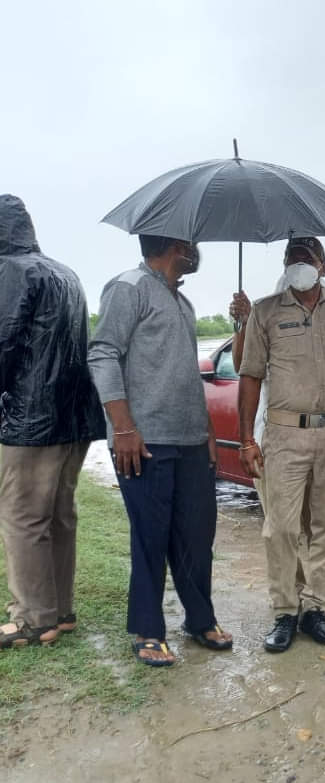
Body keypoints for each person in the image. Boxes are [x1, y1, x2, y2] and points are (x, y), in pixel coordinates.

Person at [88, 234, 232, 666]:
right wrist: (123, 427)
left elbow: (186, 376)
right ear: (173, 245)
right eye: (190, 241)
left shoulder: (182, 303)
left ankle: (200, 618)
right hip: (143, 441)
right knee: (151, 536)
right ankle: (148, 630)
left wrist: (208, 431)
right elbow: (102, 354)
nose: (196, 248)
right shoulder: (128, 287)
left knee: (197, 535)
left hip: (191, 440)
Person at [237, 237, 325, 652]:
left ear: (323, 267)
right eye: (292, 258)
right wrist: (246, 440)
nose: (299, 264)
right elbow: (250, 376)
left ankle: (316, 607)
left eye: (307, 258)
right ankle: (285, 610)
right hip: (285, 435)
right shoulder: (265, 311)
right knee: (281, 527)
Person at [0, 194, 106, 649]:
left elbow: (4, 342)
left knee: (23, 518)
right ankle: (59, 611)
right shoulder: (65, 273)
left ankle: (32, 618)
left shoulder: (12, 270)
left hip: (31, 419)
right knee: (59, 515)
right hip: (74, 417)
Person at [229, 277, 325, 625]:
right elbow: (243, 366)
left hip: (322, 442)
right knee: (282, 528)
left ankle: (318, 594)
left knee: (317, 523)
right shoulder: (267, 317)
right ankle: (290, 599)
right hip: (274, 441)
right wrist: (244, 324)